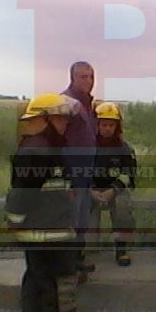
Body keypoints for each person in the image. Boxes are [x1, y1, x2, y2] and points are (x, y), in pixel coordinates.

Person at [4, 92, 95, 312]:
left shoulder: (39, 147)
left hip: (41, 232)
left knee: (36, 279)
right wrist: (15, 221)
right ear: (43, 119)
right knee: (60, 284)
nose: (65, 123)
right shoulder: (40, 150)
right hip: (51, 234)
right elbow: (22, 193)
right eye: (60, 118)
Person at [88, 102, 137, 267]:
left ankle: (121, 249)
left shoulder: (124, 148)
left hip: (115, 190)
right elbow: (77, 172)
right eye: (104, 125)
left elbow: (129, 173)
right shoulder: (86, 146)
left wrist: (113, 190)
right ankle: (85, 250)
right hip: (91, 191)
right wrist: (90, 191)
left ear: (117, 126)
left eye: (111, 125)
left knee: (122, 205)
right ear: (96, 125)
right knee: (82, 207)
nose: (108, 129)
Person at [62, 61, 97, 278]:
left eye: (91, 76)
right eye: (83, 77)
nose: (89, 81)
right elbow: (59, 143)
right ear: (72, 78)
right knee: (71, 222)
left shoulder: (87, 105)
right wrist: (67, 178)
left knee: (81, 221)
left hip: (85, 175)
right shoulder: (66, 104)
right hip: (72, 176)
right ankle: (67, 268)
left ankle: (77, 261)